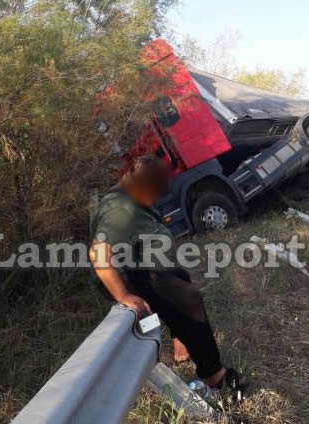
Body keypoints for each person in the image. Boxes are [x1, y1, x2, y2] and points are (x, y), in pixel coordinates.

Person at [88, 155, 245, 396]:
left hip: (152, 266)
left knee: (180, 284)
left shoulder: (131, 193)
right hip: (140, 275)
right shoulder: (121, 211)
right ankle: (213, 374)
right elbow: (99, 254)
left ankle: (180, 341)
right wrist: (124, 295)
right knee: (189, 299)